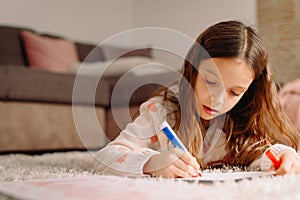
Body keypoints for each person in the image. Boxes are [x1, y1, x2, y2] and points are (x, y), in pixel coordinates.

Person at [95, 20, 300, 178]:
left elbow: (256, 152)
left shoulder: (244, 112)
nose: (218, 100)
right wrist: (152, 163)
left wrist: (281, 155)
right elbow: (105, 158)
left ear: (248, 92)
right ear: (193, 70)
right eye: (210, 82)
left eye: (234, 92)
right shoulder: (161, 112)